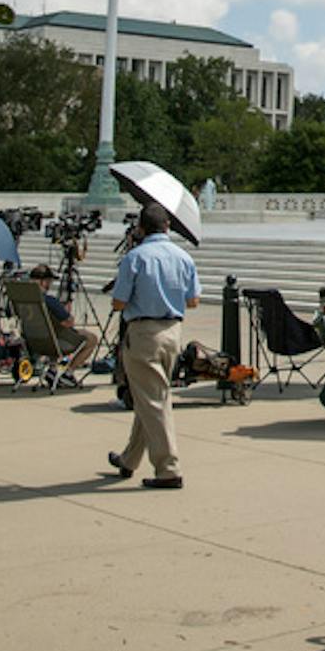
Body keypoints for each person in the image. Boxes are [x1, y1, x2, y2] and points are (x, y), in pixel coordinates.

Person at [106, 202, 199, 489]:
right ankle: (129, 458)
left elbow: (118, 302)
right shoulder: (183, 257)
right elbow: (193, 301)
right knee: (150, 396)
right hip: (173, 331)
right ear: (167, 227)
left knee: (154, 401)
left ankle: (168, 468)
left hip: (144, 332)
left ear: (140, 228)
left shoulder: (136, 257)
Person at [28, 263, 97, 375]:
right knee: (92, 339)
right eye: (50, 281)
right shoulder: (50, 301)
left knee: (53, 332)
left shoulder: (24, 299)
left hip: (33, 341)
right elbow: (69, 322)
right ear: (44, 282)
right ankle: (68, 371)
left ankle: (53, 368)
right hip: (55, 342)